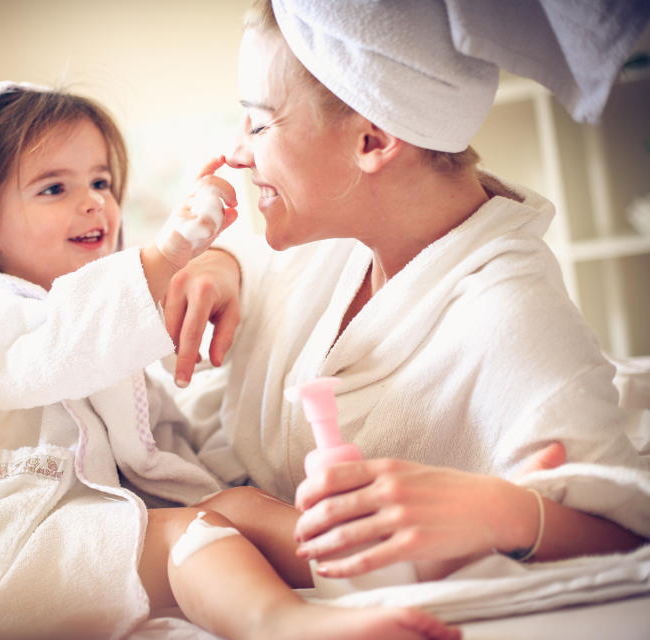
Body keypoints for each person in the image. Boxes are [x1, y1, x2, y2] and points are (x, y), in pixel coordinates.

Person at [0, 82, 461, 640]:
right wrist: (171, 251)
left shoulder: (92, 321)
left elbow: (154, 440)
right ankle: (283, 625)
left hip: (74, 524)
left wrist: (222, 477)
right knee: (191, 535)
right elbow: (65, 349)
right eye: (55, 188)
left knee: (235, 510)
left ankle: (406, 558)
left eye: (101, 183)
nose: (93, 204)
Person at [163, 0, 650, 585]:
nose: (237, 153)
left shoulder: (509, 316)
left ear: (372, 140)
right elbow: (255, 256)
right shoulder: (336, 237)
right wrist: (219, 262)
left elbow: (630, 536)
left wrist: (509, 514)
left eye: (260, 123)